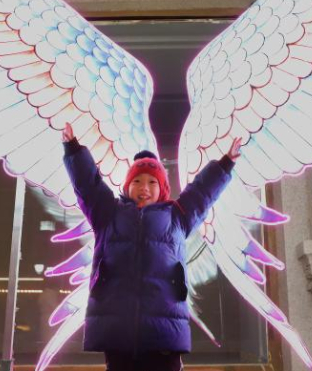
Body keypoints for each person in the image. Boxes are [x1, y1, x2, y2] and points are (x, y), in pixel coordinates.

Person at [61, 122, 241, 371]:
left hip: (164, 332)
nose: (144, 187)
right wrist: (73, 149)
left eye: (152, 182)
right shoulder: (108, 213)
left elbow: (202, 193)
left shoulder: (177, 216)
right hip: (118, 330)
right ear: (127, 186)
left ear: (162, 188)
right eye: (137, 181)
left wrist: (225, 164)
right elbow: (88, 185)